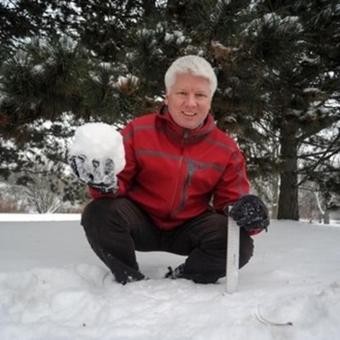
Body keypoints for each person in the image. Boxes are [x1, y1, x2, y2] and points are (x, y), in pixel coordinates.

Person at [70, 55, 269, 285]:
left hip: (189, 226)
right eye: (182, 93)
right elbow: (119, 183)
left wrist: (249, 217)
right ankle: (129, 278)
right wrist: (103, 184)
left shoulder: (226, 149)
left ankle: (185, 278)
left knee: (240, 244)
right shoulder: (138, 130)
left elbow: (231, 203)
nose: (191, 103)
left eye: (200, 95)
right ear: (167, 96)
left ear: (210, 100)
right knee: (98, 213)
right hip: (140, 220)